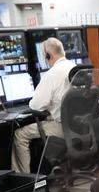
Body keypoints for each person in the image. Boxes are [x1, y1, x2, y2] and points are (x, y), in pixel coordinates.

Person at [12, 36, 72, 173]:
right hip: (80, 126)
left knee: (19, 135)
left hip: (61, 127)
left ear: (48, 55)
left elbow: (36, 106)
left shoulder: (52, 74)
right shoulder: (74, 68)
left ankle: (23, 179)